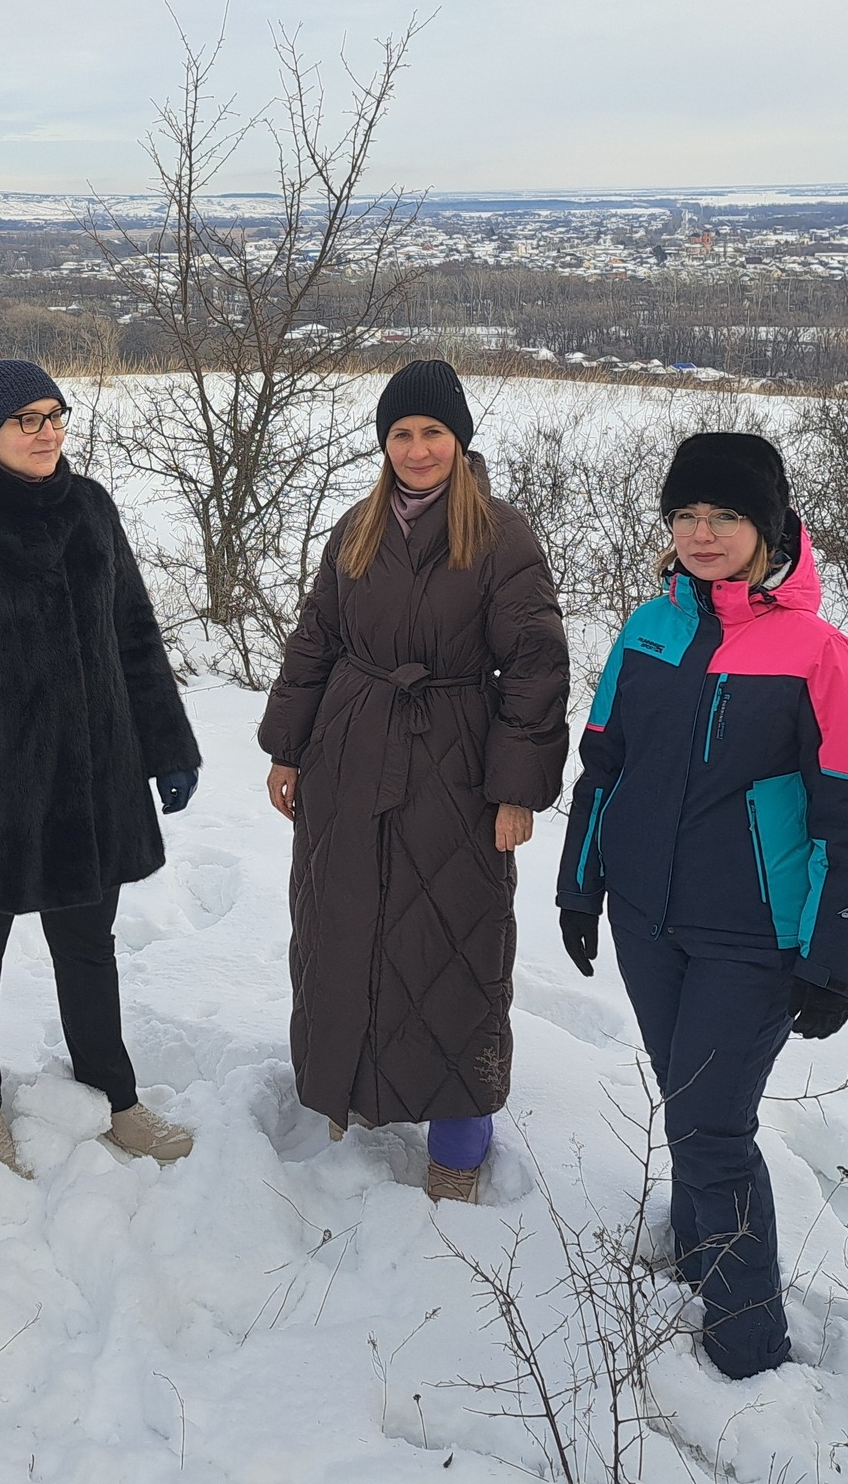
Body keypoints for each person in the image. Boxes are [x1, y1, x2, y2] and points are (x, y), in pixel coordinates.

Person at [555, 431, 848, 1379]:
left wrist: (831, 960)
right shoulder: (648, 629)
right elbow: (604, 766)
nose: (702, 533)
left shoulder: (818, 654)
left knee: (712, 1128)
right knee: (689, 1103)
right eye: (686, 515)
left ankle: (746, 1348)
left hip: (753, 936)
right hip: (645, 920)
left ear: (768, 527)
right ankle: (702, 1260)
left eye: (726, 516)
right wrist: (581, 884)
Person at [260, 359, 571, 1202]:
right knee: (343, 923)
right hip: (349, 754)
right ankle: (350, 1086)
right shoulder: (357, 528)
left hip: (456, 760)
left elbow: (537, 665)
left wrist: (516, 788)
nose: (418, 448)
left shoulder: (501, 536)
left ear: (460, 440)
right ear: (384, 443)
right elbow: (315, 639)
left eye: (433, 432)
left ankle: (459, 1142)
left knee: (451, 944)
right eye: (402, 433)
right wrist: (289, 747)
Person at [0, 359, 202, 1175]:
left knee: (89, 948)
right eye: (27, 419)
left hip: (94, 784)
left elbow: (134, 631)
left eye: (55, 413)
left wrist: (168, 745)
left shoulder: (90, 507)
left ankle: (114, 1098)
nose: (49, 430)